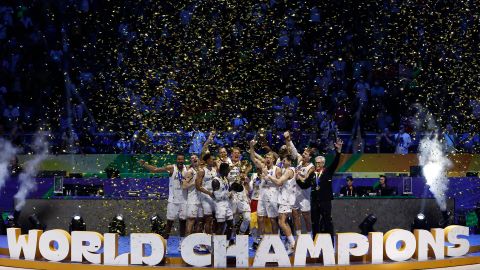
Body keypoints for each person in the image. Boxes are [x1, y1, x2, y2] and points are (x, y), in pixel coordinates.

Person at [296, 138, 343, 240]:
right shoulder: (312, 174)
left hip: (325, 201)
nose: (317, 164)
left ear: (323, 163)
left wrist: (338, 151)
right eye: (316, 162)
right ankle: (315, 243)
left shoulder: (327, 172)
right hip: (314, 202)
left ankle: (330, 244)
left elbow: (335, 163)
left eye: (319, 163)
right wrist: (298, 179)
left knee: (327, 222)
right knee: (315, 223)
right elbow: (305, 185)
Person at [138, 154, 187, 240]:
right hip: (173, 201)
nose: (180, 161)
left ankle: (182, 244)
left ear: (184, 160)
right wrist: (144, 164)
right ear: (176, 160)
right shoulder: (172, 168)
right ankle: (165, 244)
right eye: (178, 159)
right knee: (169, 224)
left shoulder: (188, 168)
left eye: (182, 159)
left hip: (184, 201)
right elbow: (155, 169)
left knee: (183, 223)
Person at [249, 139, 281, 248]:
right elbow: (253, 158)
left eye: (269, 157)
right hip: (262, 196)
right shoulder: (262, 167)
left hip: (272, 196)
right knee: (260, 217)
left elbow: (279, 183)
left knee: (272, 219)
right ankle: (260, 239)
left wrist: (269, 177)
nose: (267, 159)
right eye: (266, 157)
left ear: (273, 160)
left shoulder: (277, 169)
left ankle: (275, 241)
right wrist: (252, 146)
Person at [284, 131, 314, 237]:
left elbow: (305, 180)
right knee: (295, 215)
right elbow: (293, 150)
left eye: (306, 154)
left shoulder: (311, 167)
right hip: (295, 193)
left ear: (309, 157)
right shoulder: (300, 161)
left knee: (306, 216)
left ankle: (310, 236)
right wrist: (288, 139)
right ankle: (299, 237)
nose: (303, 154)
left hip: (304, 195)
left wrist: (298, 176)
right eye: (304, 153)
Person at [265, 155, 296, 254]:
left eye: (284, 160)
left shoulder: (289, 171)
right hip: (284, 199)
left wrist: (268, 176)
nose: (282, 161)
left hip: (286, 199)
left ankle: (293, 244)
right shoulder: (285, 169)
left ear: (290, 161)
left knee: (282, 222)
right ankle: (291, 244)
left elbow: (278, 182)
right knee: (284, 222)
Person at [195, 153, 217, 239]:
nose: (213, 160)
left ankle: (211, 239)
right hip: (205, 198)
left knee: (214, 219)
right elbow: (198, 186)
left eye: (213, 159)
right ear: (207, 160)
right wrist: (209, 193)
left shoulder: (215, 170)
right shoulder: (202, 171)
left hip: (214, 197)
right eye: (211, 159)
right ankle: (206, 241)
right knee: (207, 219)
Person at [182, 154, 203, 237]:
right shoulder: (190, 172)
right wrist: (195, 182)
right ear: (191, 161)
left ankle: (196, 242)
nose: (194, 159)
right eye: (192, 158)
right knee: (191, 220)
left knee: (200, 221)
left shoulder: (202, 170)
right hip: (192, 199)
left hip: (201, 199)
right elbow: (184, 186)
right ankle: (186, 241)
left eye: (195, 157)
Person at [212, 163, 234, 238]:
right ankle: (217, 246)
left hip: (227, 204)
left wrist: (233, 189)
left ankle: (226, 243)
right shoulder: (215, 180)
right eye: (228, 170)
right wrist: (227, 194)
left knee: (231, 225)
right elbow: (217, 196)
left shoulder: (226, 179)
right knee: (221, 227)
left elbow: (228, 190)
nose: (229, 171)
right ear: (224, 170)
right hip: (220, 205)